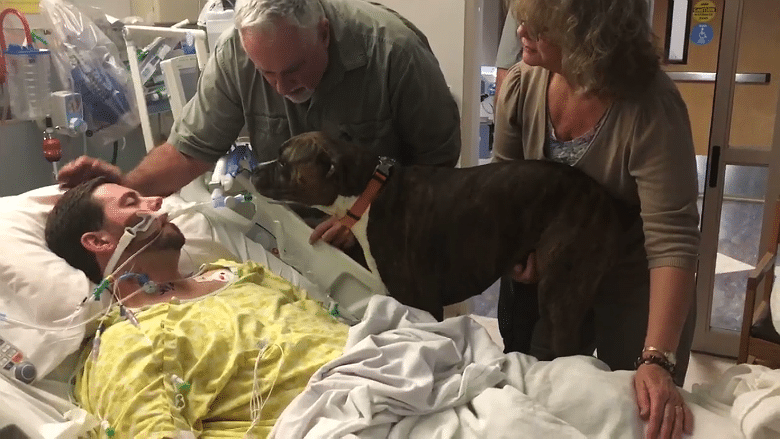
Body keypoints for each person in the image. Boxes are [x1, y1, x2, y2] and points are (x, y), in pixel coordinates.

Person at [57, 0, 461, 250]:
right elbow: (189, 151)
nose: (283, 88)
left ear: (323, 33)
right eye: (267, 74)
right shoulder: (237, 53)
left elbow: (437, 163)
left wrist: (362, 214)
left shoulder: (392, 51)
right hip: (303, 239)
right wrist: (123, 188)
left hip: (396, 226)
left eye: (294, 69)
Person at [492, 1, 700, 439]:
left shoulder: (652, 108)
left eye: (540, 25)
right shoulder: (522, 86)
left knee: (637, 411)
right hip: (556, 278)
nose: (522, 30)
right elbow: (503, 190)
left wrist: (657, 358)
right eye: (520, 17)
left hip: (633, 283)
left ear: (587, 34)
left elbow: (673, 240)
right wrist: (514, 250)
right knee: (541, 401)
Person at [45, 177, 349, 438]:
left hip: (377, 365)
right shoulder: (132, 343)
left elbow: (332, 324)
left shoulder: (238, 272)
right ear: (99, 241)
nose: (155, 202)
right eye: (130, 202)